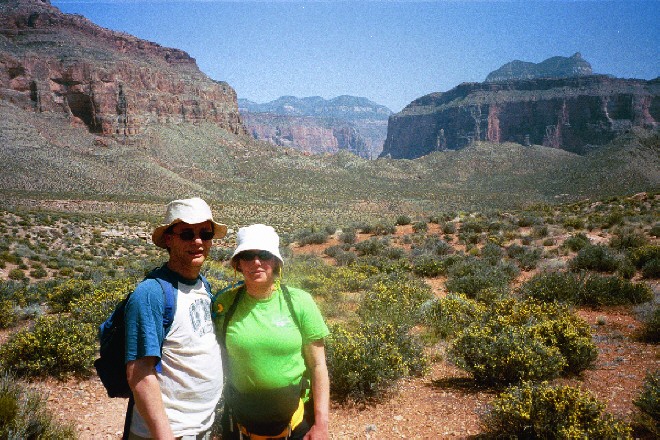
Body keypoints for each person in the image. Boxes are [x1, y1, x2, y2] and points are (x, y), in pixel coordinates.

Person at [213, 224, 330, 440]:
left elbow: (318, 365)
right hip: (239, 428)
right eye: (248, 256)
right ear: (238, 263)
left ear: (275, 261)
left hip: (296, 426)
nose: (256, 262)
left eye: (264, 255)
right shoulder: (224, 304)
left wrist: (321, 424)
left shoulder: (299, 302)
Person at [124, 197, 227, 439]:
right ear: (169, 239)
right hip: (168, 432)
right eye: (187, 234)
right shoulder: (151, 293)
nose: (198, 241)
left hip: (199, 426)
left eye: (205, 233)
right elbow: (139, 373)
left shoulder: (202, 285)